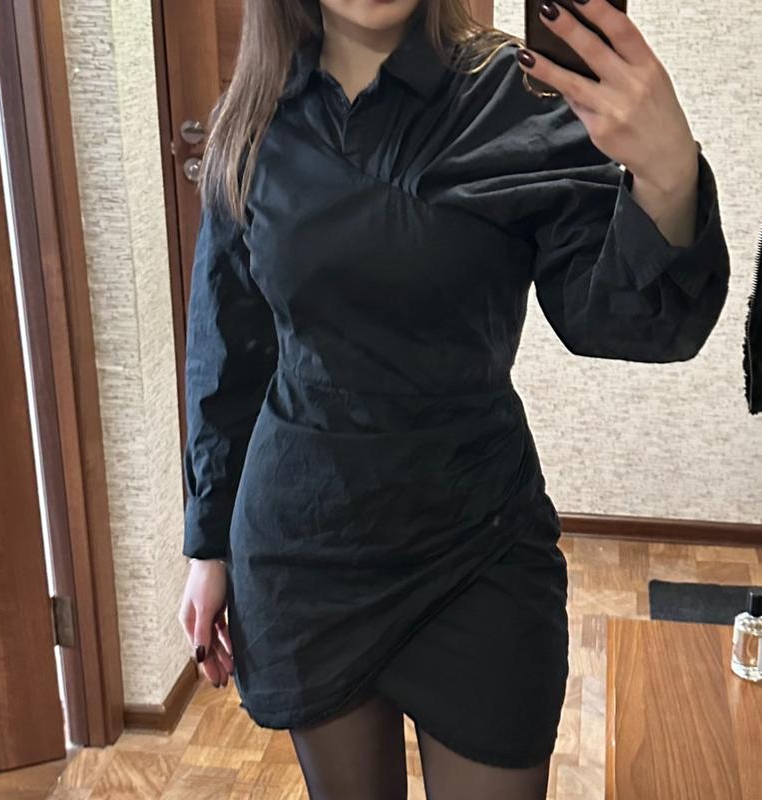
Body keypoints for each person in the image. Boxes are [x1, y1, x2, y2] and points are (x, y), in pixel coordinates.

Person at [178, 0, 730, 797]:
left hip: (478, 546)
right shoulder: (252, 118)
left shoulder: (523, 97)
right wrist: (208, 545)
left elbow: (626, 323)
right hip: (305, 553)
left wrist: (668, 176)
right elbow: (226, 352)